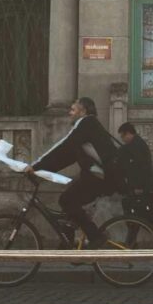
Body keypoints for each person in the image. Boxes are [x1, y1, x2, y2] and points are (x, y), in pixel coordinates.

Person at [24, 97, 117, 249]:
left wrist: (35, 166)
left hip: (100, 177)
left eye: (73, 110)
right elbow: (67, 157)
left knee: (67, 200)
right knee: (70, 204)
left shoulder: (86, 123)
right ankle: (67, 244)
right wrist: (41, 171)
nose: (70, 113)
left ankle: (95, 237)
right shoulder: (88, 127)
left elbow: (63, 147)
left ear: (83, 111)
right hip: (99, 176)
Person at [117, 122, 153, 244]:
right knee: (136, 217)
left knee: (139, 218)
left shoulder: (136, 145)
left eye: (123, 136)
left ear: (128, 133)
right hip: (142, 189)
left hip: (142, 190)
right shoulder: (135, 145)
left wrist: (138, 187)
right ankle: (131, 243)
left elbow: (140, 169)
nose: (123, 139)